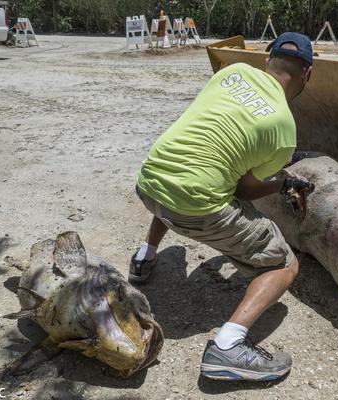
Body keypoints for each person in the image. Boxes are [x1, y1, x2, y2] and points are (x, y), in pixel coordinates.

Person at [129, 32, 314, 381]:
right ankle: (228, 348)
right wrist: (283, 182)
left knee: (189, 174)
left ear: (266, 61)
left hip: (150, 182)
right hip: (193, 206)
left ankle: (144, 257)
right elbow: (243, 191)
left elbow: (213, 142)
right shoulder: (284, 129)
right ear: (307, 75)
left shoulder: (231, 73)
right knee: (284, 265)